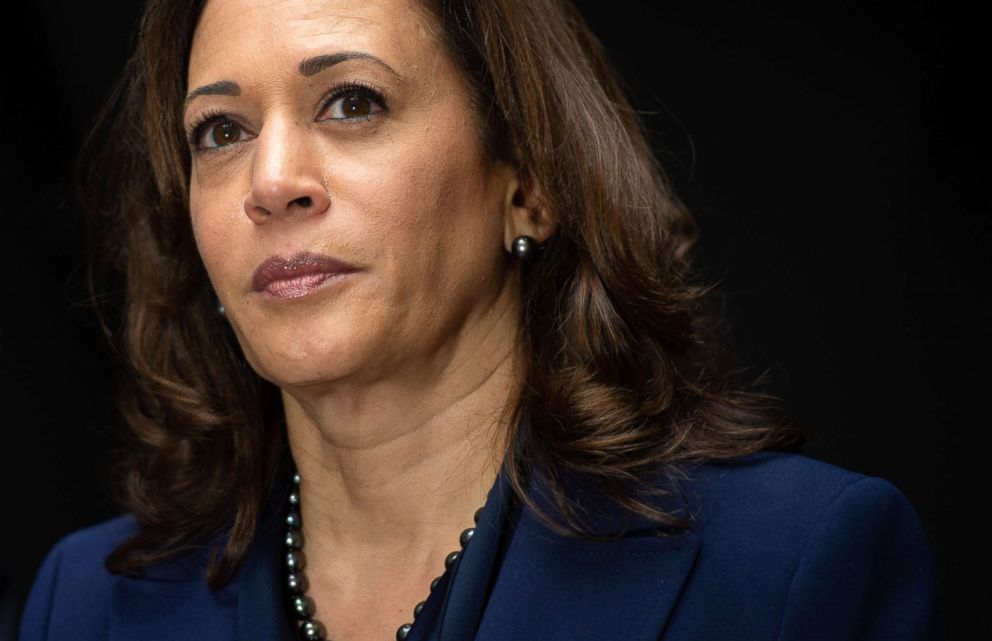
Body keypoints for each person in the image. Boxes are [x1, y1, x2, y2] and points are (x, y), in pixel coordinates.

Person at [19, 0, 944, 639]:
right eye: (221, 131)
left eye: (352, 103)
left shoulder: (790, 565)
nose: (270, 183)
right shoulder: (87, 602)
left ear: (530, 182)